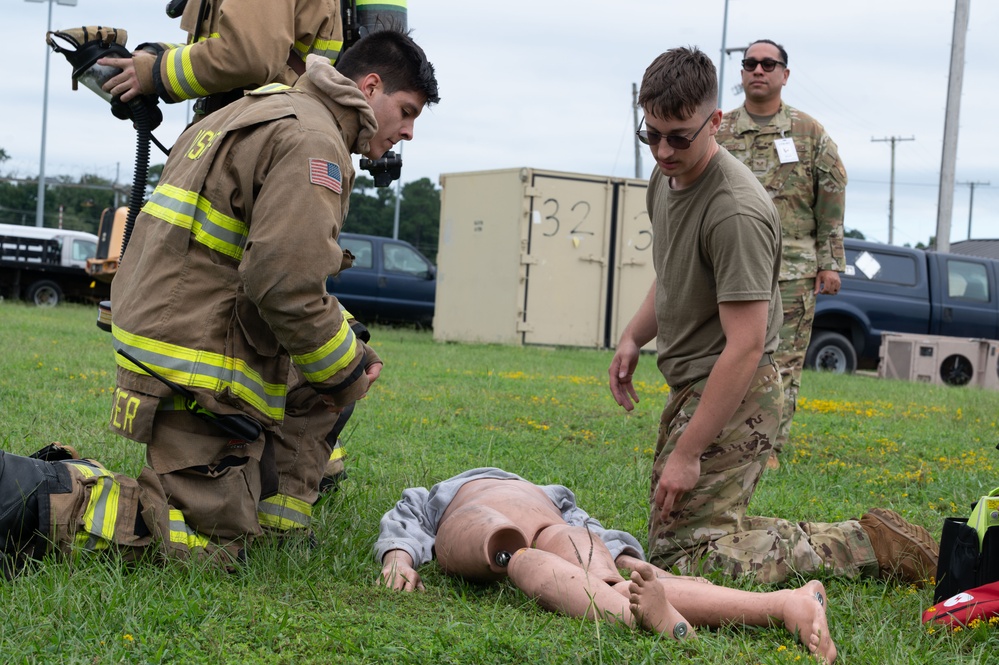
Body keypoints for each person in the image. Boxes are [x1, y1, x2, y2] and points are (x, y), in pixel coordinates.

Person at [0, 29, 439, 568]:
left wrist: (346, 355)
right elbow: (285, 285)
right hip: (196, 350)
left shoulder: (263, 107)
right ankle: (21, 489)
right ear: (370, 88)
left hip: (175, 323)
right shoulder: (313, 141)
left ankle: (277, 522)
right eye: (408, 111)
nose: (410, 132)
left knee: (346, 353)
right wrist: (345, 372)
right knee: (204, 546)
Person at [607, 46, 936, 586]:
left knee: (679, 561)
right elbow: (672, 271)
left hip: (736, 387)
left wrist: (689, 452)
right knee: (676, 533)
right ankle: (843, 537)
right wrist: (633, 337)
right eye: (652, 134)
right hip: (692, 381)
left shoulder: (735, 210)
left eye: (679, 136)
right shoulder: (665, 178)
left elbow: (746, 345)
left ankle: (863, 545)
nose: (662, 151)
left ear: (715, 122)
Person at [376, 468, 837, 663]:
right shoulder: (541, 493)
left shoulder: (452, 492)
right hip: (527, 518)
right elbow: (595, 534)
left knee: (519, 555)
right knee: (599, 569)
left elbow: (405, 520)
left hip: (506, 521)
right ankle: (781, 604)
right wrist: (635, 565)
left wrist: (398, 560)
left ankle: (635, 616)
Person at [716, 39, 847, 471]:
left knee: (782, 361)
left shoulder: (808, 132)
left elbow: (831, 189)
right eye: (749, 63)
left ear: (784, 74)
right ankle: (719, 434)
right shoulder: (720, 130)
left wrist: (830, 261)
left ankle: (769, 447)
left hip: (790, 271)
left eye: (768, 64)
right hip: (729, 266)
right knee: (723, 352)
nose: (758, 70)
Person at [98, 0, 345, 116]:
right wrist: (153, 56)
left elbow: (246, 58)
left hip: (261, 135)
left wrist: (155, 73)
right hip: (248, 127)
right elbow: (235, 46)